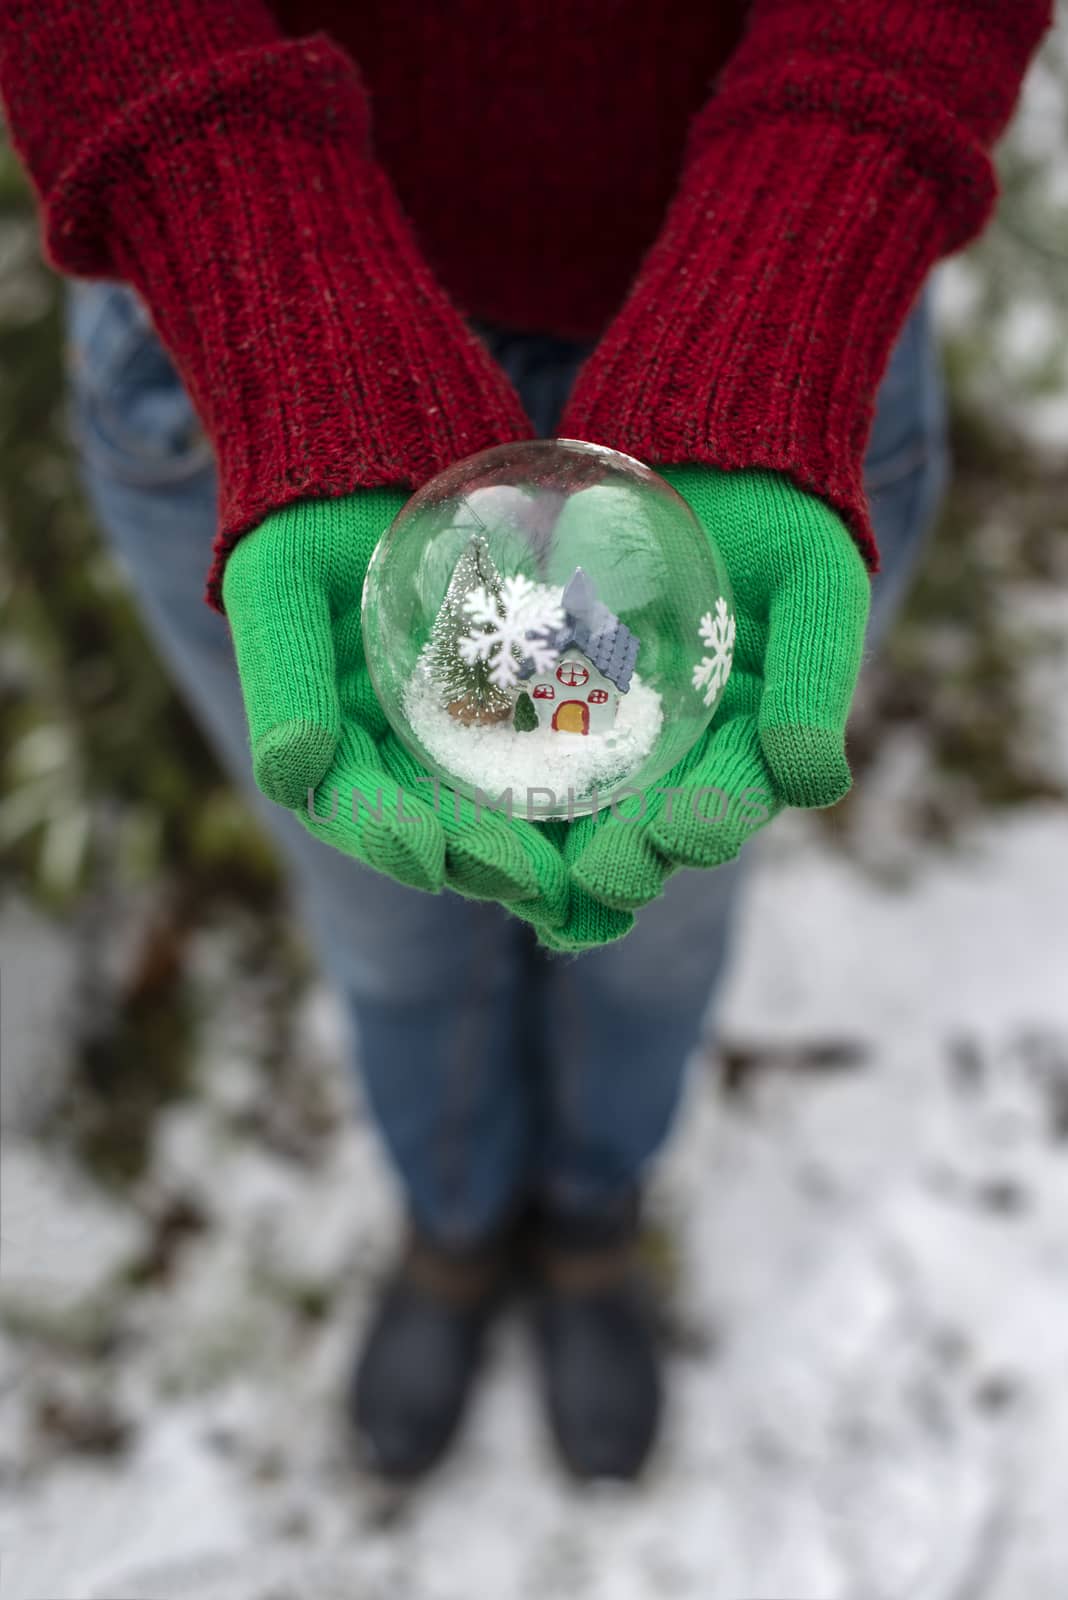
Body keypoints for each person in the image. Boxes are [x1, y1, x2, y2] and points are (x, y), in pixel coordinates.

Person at [1, 0, 1052, 1482]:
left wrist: (804, 221)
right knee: (387, 913)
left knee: (664, 910)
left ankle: (589, 1215)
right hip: (249, 325)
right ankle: (453, 1215)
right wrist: (250, 229)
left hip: (777, 313)